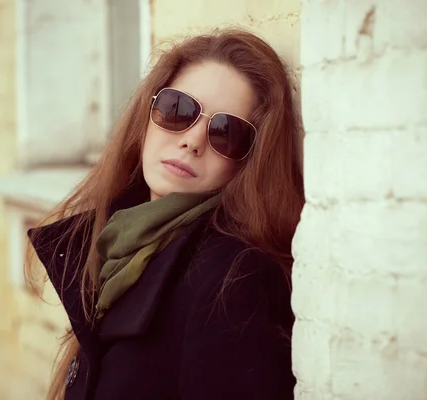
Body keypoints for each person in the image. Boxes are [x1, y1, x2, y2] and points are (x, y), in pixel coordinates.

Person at [27, 28, 304, 400]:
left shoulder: (234, 280)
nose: (192, 140)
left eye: (226, 132)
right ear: (147, 114)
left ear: (247, 163)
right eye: (178, 109)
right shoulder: (116, 245)